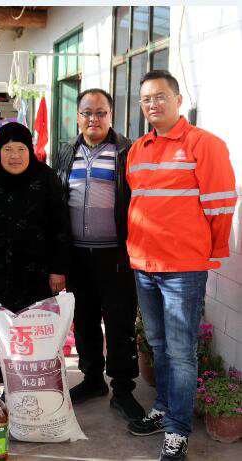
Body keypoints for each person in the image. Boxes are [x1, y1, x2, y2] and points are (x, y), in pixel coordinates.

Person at [126, 70, 236, 461]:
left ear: (178, 99)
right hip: (144, 264)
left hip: (182, 269)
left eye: (160, 96)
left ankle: (177, 431)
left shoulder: (204, 144)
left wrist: (210, 251)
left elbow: (221, 205)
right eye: (146, 99)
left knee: (181, 352)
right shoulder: (138, 149)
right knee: (158, 345)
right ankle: (164, 408)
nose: (152, 104)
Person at [54, 88, 145, 422]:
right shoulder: (66, 151)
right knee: (84, 320)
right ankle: (93, 379)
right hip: (77, 255)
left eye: (100, 112)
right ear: (77, 116)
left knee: (119, 322)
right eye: (87, 113)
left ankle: (122, 389)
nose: (93, 119)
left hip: (116, 256)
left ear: (111, 115)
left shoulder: (127, 151)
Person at [0, 122, 68, 380]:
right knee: (1, 329)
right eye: (8, 149)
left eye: (21, 149)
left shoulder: (46, 178)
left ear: (30, 150)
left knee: (33, 332)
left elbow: (61, 226)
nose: (14, 156)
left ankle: (32, 382)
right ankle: (5, 377)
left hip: (37, 274)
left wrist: (58, 268)